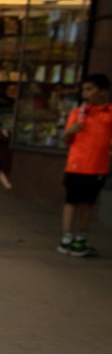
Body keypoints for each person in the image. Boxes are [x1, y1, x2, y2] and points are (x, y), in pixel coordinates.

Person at [57, 73, 111, 257]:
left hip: (96, 166)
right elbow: (66, 139)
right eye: (84, 90)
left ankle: (81, 238)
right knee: (71, 201)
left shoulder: (109, 113)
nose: (86, 94)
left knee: (88, 204)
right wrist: (70, 131)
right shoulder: (78, 113)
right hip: (75, 164)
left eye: (90, 89)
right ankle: (66, 236)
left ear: (102, 91)